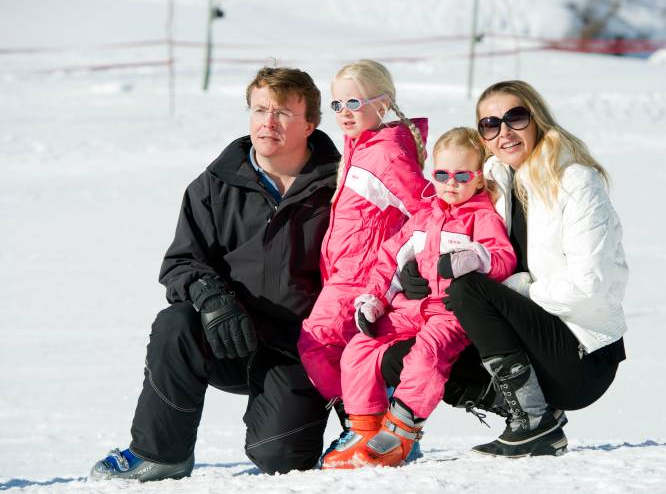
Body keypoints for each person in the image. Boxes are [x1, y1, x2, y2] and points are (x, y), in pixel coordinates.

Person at [89, 66, 341, 481]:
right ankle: (160, 453)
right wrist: (211, 298)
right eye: (259, 110)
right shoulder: (213, 185)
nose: (268, 122)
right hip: (229, 334)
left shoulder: (340, 187)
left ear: (309, 124)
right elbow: (181, 262)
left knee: (282, 459)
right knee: (176, 323)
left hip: (301, 348)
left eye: (282, 113)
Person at [392, 79, 628, 458]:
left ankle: (533, 422)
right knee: (404, 354)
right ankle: (531, 413)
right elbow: (447, 220)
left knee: (469, 288)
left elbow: (591, 286)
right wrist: (418, 272)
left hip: (582, 353)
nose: (504, 132)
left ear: (536, 119)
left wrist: (518, 289)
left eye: (515, 118)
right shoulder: (496, 179)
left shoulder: (575, 181)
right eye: (490, 124)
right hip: (531, 345)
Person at [321, 127, 517, 469]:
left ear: (479, 180)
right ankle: (364, 429)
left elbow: (502, 257)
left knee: (427, 353)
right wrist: (374, 300)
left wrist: (474, 258)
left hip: (450, 313)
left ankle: (401, 431)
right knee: (359, 349)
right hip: (410, 309)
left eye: (461, 175)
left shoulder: (481, 217)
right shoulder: (424, 216)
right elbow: (389, 259)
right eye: (442, 174)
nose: (450, 183)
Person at [296, 59, 428, 440]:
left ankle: (371, 425)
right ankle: (374, 425)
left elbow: (426, 211)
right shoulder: (362, 146)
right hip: (344, 274)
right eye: (337, 105)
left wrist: (398, 262)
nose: (344, 114)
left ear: (382, 104)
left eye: (353, 103)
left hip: (363, 276)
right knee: (342, 350)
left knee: (316, 342)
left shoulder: (385, 154)